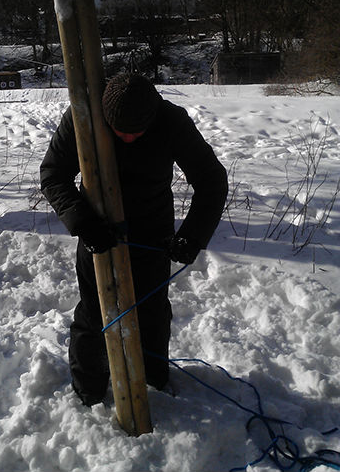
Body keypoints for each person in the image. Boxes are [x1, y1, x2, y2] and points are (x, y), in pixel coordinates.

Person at [40, 73, 228, 406]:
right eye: (120, 131)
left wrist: (192, 236)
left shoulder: (171, 121)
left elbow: (211, 179)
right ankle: (89, 392)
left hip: (152, 232)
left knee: (151, 313)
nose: (128, 138)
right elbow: (53, 174)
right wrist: (83, 222)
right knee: (95, 314)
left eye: (136, 132)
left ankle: (153, 382)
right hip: (97, 230)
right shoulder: (83, 117)